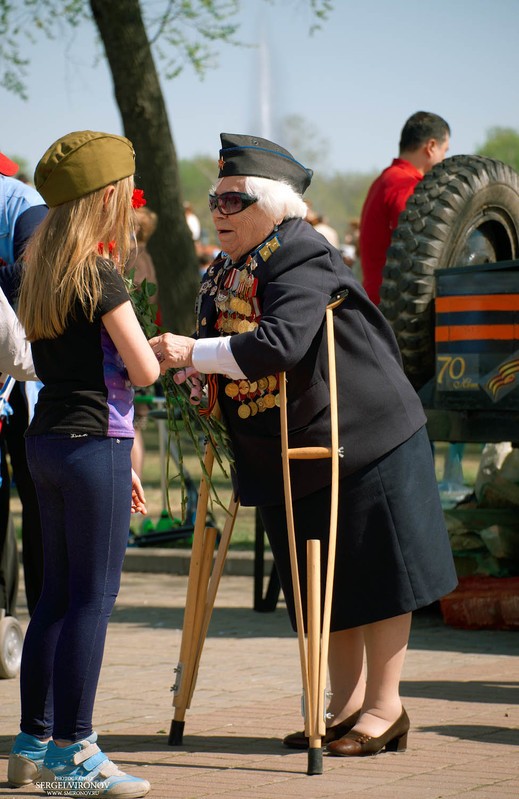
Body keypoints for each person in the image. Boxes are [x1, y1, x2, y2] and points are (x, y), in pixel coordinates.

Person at [149, 133, 458, 757]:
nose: (217, 211)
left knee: (378, 577)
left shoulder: (300, 252)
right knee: (324, 583)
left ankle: (384, 708)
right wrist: (198, 374)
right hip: (295, 448)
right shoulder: (228, 266)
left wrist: (194, 352)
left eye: (232, 201)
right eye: (214, 199)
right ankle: (341, 709)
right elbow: (228, 346)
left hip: (366, 438)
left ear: (268, 204)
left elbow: (282, 341)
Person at [8, 130, 159, 797]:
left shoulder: (33, 267)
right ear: (106, 198)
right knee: (92, 599)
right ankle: (77, 750)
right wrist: (167, 351)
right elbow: (144, 370)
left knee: (54, 598)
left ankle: (32, 740)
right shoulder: (99, 273)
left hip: (46, 441)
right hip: (94, 441)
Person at [0, 149, 48, 616]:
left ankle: (42, 612)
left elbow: (32, 273)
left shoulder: (21, 200)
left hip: (26, 379)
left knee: (35, 495)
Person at [359, 111, 450, 305]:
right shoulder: (408, 186)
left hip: (377, 303)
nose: (444, 159)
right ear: (431, 147)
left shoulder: (385, 180)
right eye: (445, 151)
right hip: (394, 311)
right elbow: (422, 244)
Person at [125, 205, 160, 479]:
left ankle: (131, 482)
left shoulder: (136, 257)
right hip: (137, 340)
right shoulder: (142, 256)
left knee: (132, 424)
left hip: (133, 342)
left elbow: (136, 300)